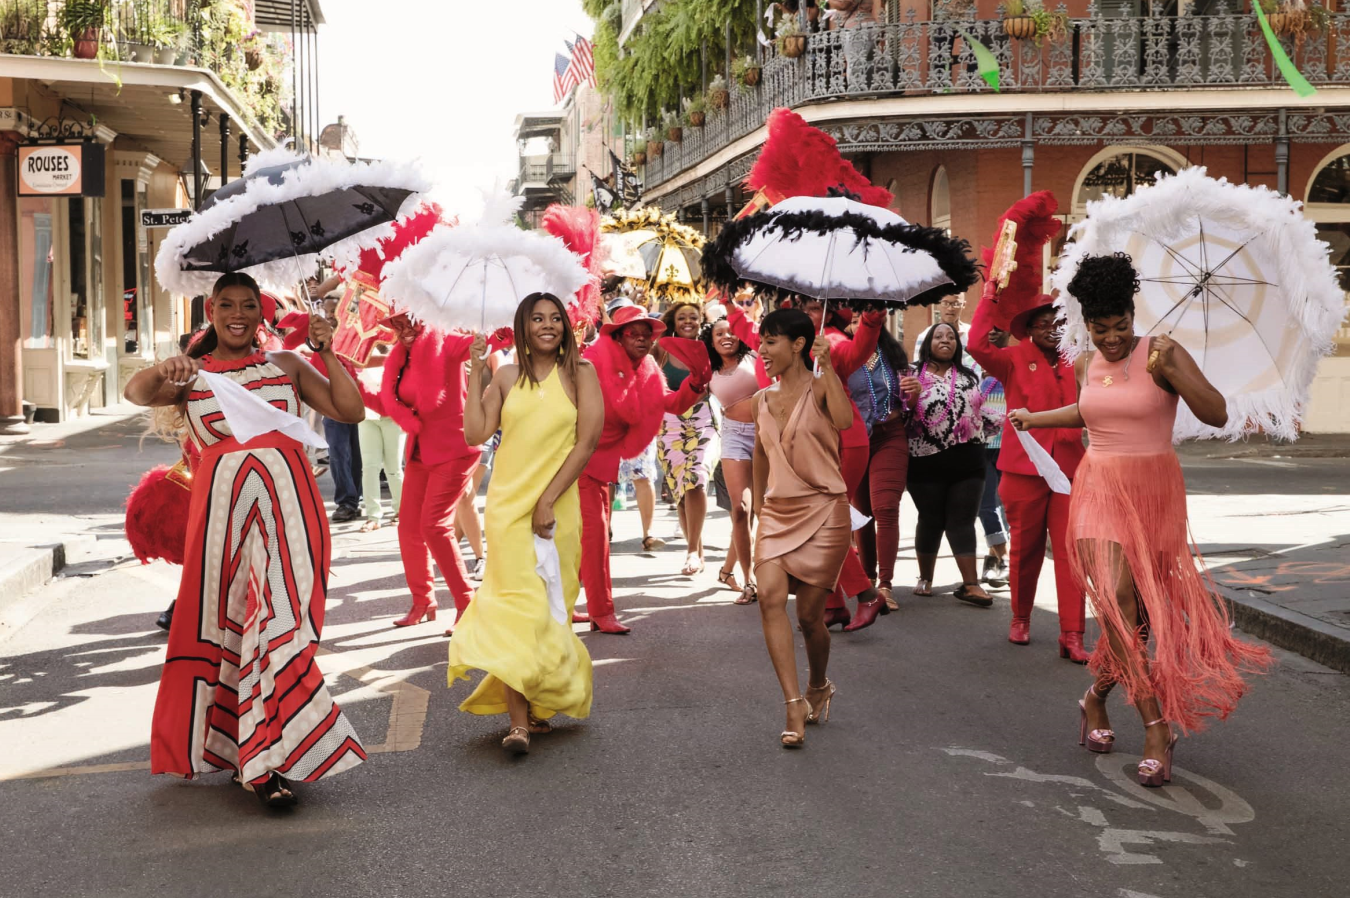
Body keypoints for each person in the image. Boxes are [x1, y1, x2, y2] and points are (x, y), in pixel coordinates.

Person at [1010, 253, 1270, 787]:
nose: (1110, 339)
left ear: (1135, 315)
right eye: (1099, 328)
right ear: (1086, 325)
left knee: (1141, 620)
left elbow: (1216, 413)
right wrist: (1034, 419)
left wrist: (1171, 371)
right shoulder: (1084, 362)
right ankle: (1157, 725)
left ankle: (1094, 698)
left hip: (1154, 495)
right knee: (1115, 600)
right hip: (1098, 488)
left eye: (1120, 326)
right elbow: (1089, 411)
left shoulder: (1164, 353)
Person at [125, 272, 367, 808]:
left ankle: (262, 752)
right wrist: (167, 367)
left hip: (292, 514)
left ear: (263, 313)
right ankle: (260, 763)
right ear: (210, 310)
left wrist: (328, 353)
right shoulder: (195, 374)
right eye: (227, 305)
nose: (238, 314)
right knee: (240, 629)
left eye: (249, 306)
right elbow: (135, 392)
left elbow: (351, 411)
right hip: (224, 522)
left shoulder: (286, 364)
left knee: (283, 624)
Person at [447, 293, 603, 756]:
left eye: (556, 318)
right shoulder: (506, 375)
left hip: (558, 509)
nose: (548, 325)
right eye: (537, 318)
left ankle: (536, 702)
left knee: (553, 606)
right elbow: (475, 433)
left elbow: (588, 440)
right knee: (516, 608)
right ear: (522, 326)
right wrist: (476, 372)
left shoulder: (582, 374)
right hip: (507, 510)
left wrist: (548, 499)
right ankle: (517, 723)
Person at [751, 309, 855, 748]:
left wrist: (828, 367)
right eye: (761, 341)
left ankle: (818, 684)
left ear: (798, 345)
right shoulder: (761, 399)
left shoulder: (821, 388)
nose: (762, 350)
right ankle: (793, 704)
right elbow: (759, 453)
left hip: (826, 511)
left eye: (771, 341)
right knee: (770, 598)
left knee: (811, 618)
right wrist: (758, 505)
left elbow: (845, 421)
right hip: (777, 513)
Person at [970, 291, 1088, 661]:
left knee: (1073, 552)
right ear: (1030, 329)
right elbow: (975, 343)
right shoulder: (1012, 358)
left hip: (1069, 466)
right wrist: (990, 294)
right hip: (1024, 467)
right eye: (1045, 324)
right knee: (1025, 548)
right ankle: (1020, 618)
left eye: (1060, 323)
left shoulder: (1078, 359)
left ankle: (1072, 633)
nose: (1054, 330)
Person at [583, 304, 707, 633]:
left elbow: (672, 403)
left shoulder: (648, 368)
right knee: (593, 539)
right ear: (618, 337)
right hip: (576, 460)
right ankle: (600, 610)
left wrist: (696, 382)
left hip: (602, 463)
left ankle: (581, 608)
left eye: (647, 335)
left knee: (586, 539)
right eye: (633, 334)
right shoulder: (594, 361)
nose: (642, 340)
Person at [377, 313, 491, 631]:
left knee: (434, 526)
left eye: (408, 321)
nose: (403, 330)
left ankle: (467, 603)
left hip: (455, 448)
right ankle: (422, 600)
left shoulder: (447, 340)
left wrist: (485, 337)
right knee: (409, 528)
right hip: (420, 451)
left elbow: (485, 344)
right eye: (396, 324)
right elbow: (391, 404)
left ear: (423, 318)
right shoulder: (401, 357)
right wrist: (348, 383)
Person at [904, 321, 1002, 605]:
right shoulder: (911, 373)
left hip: (968, 462)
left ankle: (971, 585)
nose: (946, 340)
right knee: (931, 519)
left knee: (962, 521)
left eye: (951, 336)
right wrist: (908, 399)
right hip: (924, 461)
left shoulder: (970, 376)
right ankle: (925, 578)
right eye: (938, 336)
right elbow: (899, 414)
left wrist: (1006, 424)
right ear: (927, 343)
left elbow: (982, 411)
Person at [653, 300, 720, 576]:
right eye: (682, 318)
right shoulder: (662, 348)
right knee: (682, 491)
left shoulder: (710, 347)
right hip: (668, 423)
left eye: (693, 317)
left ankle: (692, 550)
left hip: (703, 418)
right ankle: (697, 551)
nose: (688, 322)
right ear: (674, 321)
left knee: (697, 479)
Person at [847, 326, 910, 612]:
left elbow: (909, 404)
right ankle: (867, 581)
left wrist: (915, 393)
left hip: (891, 434)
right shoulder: (841, 353)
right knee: (862, 514)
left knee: (885, 507)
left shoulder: (892, 353)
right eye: (854, 313)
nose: (859, 319)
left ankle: (885, 584)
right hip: (855, 437)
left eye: (865, 313)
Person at [704, 316, 762, 604]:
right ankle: (749, 580)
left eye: (731, 332)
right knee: (740, 509)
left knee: (762, 512)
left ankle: (727, 570)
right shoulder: (707, 369)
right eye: (719, 333)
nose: (726, 336)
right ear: (711, 340)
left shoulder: (755, 354)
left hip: (767, 434)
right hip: (734, 435)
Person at [320, 296, 362, 523]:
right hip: (332, 402)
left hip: (361, 401)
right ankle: (347, 501)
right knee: (338, 453)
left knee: (356, 454)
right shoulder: (319, 337)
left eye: (333, 313)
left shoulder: (356, 333)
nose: (328, 317)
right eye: (326, 313)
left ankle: (355, 500)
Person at [355, 347, 404, 531]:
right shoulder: (360, 348)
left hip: (393, 415)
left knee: (394, 468)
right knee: (369, 467)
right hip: (367, 415)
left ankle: (401, 510)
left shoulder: (396, 349)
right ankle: (373, 516)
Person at [976, 368, 1009, 587]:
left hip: (1010, 446)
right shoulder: (971, 368)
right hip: (982, 447)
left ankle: (993, 560)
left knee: (1005, 506)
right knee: (985, 505)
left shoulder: (1012, 366)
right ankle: (1003, 558)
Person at [914, 295, 978, 372]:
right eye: (945, 303)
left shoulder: (973, 334)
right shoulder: (925, 336)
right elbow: (919, 369)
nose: (950, 308)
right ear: (937, 304)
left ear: (963, 305)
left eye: (956, 304)